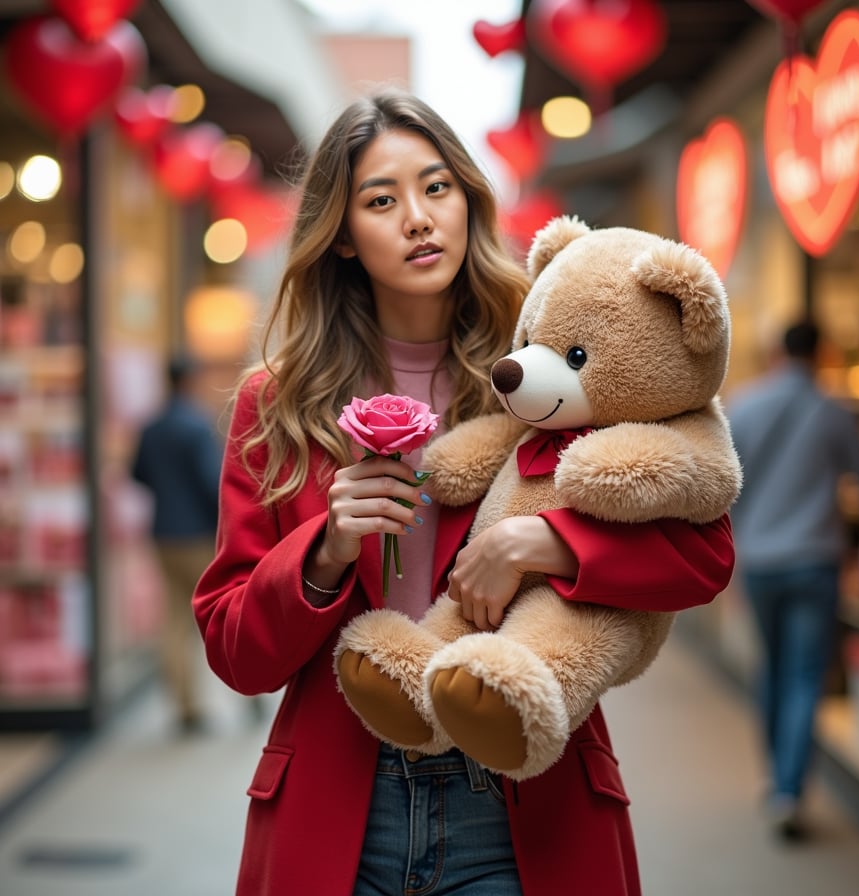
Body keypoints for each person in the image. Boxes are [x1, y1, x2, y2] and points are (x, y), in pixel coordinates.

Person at [192, 89, 736, 896]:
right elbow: (236, 652)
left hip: (522, 799)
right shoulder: (276, 405)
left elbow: (704, 556)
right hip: (343, 802)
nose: (418, 217)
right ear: (341, 236)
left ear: (468, 201)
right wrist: (325, 551)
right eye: (382, 200)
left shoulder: (552, 361)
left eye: (436, 187)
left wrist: (549, 544)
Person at [727, 319, 859, 841]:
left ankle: (777, 779)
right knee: (805, 674)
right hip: (815, 560)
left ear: (776, 352)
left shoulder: (743, 405)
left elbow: (726, 487)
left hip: (761, 561)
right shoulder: (833, 411)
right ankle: (789, 790)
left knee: (773, 667)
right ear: (821, 353)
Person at [133, 353, 223, 734]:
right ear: (190, 380)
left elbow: (136, 473)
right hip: (198, 535)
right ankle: (249, 697)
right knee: (217, 613)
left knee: (173, 620)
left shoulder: (151, 426)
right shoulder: (197, 426)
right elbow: (211, 482)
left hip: (162, 533)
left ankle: (185, 706)